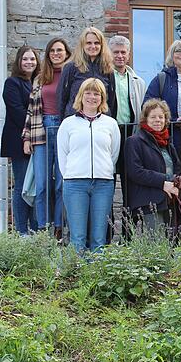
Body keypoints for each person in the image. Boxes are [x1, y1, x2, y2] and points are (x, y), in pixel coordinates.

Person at [57, 78, 120, 253]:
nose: (92, 97)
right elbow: (63, 155)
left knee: (99, 238)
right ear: (81, 96)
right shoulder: (68, 124)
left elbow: (113, 154)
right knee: (77, 238)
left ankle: (96, 276)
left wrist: (104, 169)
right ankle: (78, 276)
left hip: (103, 184)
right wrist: (72, 174)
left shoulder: (111, 124)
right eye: (88, 93)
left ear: (102, 98)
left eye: (97, 93)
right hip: (75, 184)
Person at [23, 37, 72, 238]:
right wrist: (26, 137)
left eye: (59, 50)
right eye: (52, 51)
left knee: (61, 183)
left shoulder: (71, 75)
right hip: (41, 130)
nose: (56, 54)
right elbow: (30, 109)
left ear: (67, 53)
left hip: (64, 130)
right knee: (42, 184)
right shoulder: (41, 78)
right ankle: (43, 228)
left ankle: (59, 227)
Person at [124, 99, 181, 232]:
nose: (157, 120)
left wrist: (179, 178)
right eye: (153, 117)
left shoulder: (167, 144)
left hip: (168, 200)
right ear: (145, 119)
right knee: (157, 244)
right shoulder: (134, 141)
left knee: (170, 243)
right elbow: (136, 172)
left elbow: (176, 167)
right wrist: (163, 182)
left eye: (161, 117)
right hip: (148, 202)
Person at [1, 45, 38, 234]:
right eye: (25, 59)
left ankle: (35, 230)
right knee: (23, 185)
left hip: (39, 141)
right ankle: (22, 231)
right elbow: (17, 111)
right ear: (18, 62)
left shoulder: (39, 83)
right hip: (19, 141)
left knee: (36, 186)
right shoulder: (12, 83)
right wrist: (32, 131)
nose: (29, 62)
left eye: (32, 59)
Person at [108, 35, 146, 211]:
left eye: (123, 52)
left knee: (129, 184)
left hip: (131, 135)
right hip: (109, 135)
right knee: (107, 180)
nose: (120, 56)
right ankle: (106, 232)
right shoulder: (104, 78)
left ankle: (127, 235)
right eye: (116, 52)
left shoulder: (139, 81)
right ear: (109, 54)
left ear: (129, 54)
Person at [58, 27, 117, 118]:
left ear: (102, 45)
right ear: (82, 45)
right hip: (75, 120)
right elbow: (61, 98)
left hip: (101, 121)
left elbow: (112, 101)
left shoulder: (108, 69)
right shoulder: (70, 67)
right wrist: (64, 122)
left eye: (97, 43)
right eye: (89, 43)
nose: (93, 46)